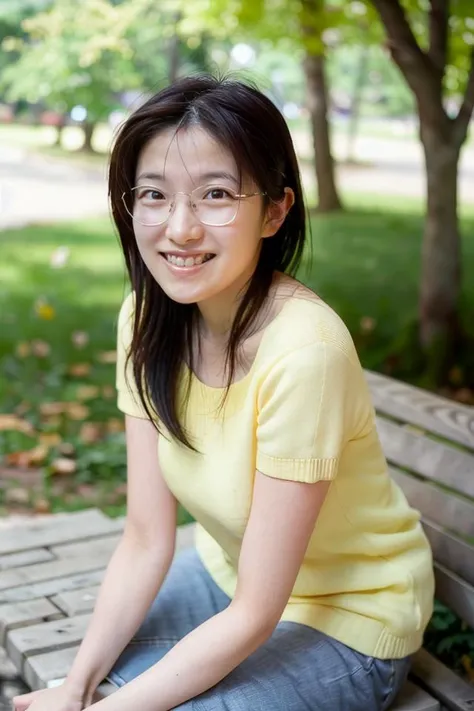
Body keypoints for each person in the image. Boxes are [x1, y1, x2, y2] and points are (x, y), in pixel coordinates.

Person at [13, 74, 435, 711]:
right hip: (226, 576)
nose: (180, 229)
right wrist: (75, 692)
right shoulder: (145, 318)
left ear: (274, 211)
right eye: (154, 194)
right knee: (94, 679)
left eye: (215, 195)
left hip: (349, 619)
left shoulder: (304, 352)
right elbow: (145, 538)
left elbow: (257, 615)